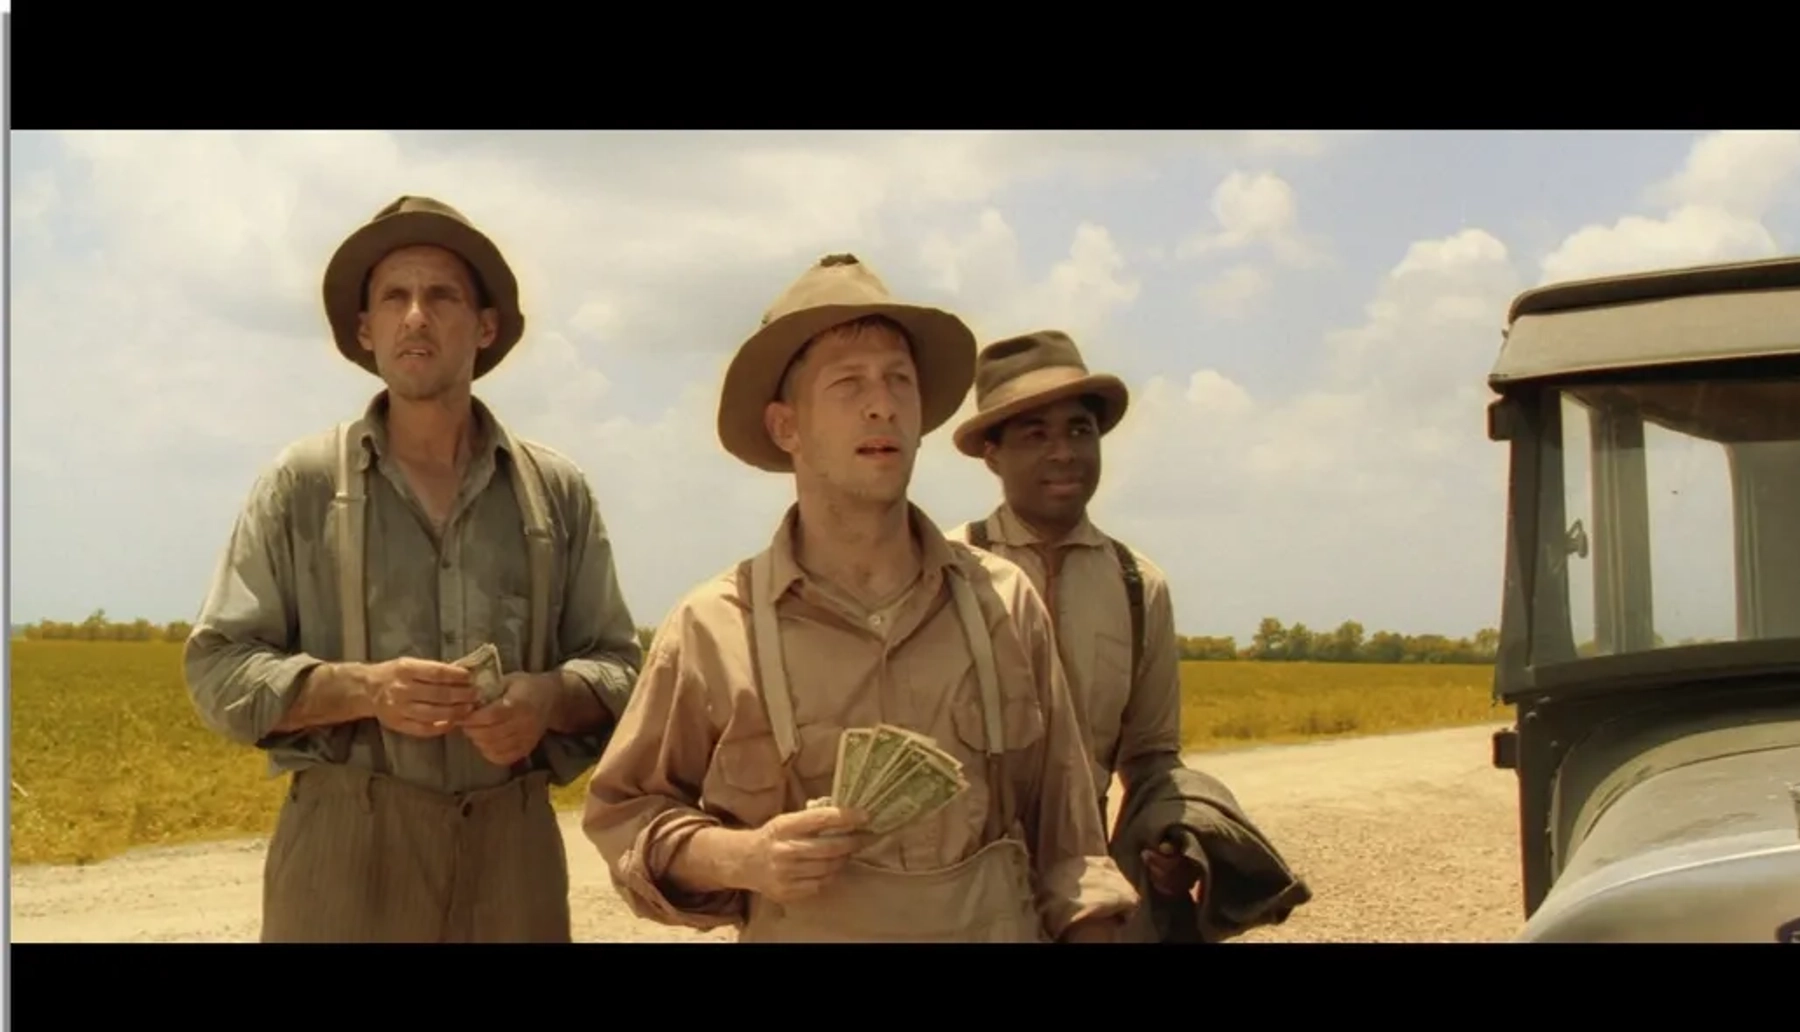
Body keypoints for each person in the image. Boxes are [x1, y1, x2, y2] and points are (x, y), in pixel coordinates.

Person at [581, 254, 1138, 942]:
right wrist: (743, 858)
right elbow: (623, 813)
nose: (883, 403)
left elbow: (1072, 852)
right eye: (849, 383)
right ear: (787, 427)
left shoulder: (1004, 604)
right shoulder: (713, 627)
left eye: (899, 380)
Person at [181, 195, 643, 943]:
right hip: (343, 850)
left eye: (442, 296)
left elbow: (623, 668)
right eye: (394, 297)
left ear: (484, 327)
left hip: (512, 859)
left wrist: (547, 699)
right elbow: (217, 673)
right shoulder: (300, 484)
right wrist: (363, 689)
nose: (416, 317)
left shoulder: (555, 492)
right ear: (367, 330)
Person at [948, 329, 1310, 941]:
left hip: (1090, 882)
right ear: (992, 453)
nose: (1063, 452)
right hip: (965, 878)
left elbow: (1151, 756)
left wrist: (1170, 840)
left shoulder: (1138, 586)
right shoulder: (947, 569)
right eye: (1035, 434)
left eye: (1079, 431)